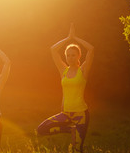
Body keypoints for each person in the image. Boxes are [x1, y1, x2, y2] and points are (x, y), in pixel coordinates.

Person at [36, 24, 94, 153]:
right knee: (41, 129)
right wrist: (68, 38)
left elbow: (91, 49)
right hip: (66, 114)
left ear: (79, 56)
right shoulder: (63, 70)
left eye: (73, 55)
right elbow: (53, 50)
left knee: (77, 149)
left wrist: (76, 38)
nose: (70, 58)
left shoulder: (83, 71)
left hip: (81, 115)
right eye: (68, 55)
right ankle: (70, 129)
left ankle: (74, 131)